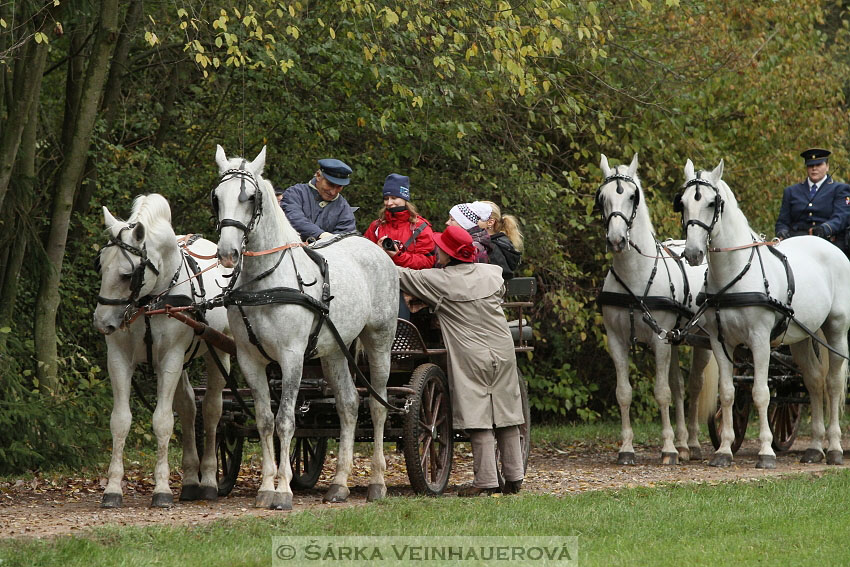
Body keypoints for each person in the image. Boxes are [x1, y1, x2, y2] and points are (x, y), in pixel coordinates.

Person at [397, 226, 525, 496]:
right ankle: (514, 476)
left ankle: (486, 480)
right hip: (502, 350)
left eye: (440, 248)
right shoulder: (492, 274)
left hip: (470, 354)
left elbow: (399, 276)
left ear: (448, 253)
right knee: (506, 411)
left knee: (477, 414)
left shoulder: (438, 280)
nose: (436, 250)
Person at [775, 148, 850, 255]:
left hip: (829, 244)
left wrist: (825, 229)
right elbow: (782, 221)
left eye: (818, 164)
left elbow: (842, 217)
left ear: (827, 166)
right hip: (797, 244)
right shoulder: (791, 191)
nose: (814, 168)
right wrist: (781, 232)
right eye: (810, 165)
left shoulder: (840, 189)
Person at [365, 173, 437, 269]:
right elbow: (364, 257)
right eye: (386, 199)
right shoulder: (376, 226)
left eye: (394, 198)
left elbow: (427, 262)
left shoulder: (420, 227)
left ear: (404, 198)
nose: (389, 203)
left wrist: (398, 256)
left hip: (409, 281)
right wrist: (377, 251)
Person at [281, 158, 357, 241]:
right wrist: (320, 235)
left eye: (339, 186)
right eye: (330, 184)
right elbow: (294, 218)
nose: (333, 192)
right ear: (318, 176)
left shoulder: (343, 208)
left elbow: (346, 238)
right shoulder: (295, 193)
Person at [479, 200, 524, 280]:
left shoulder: (492, 248)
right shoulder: (501, 243)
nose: (470, 220)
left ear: (490, 222)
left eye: (476, 217)